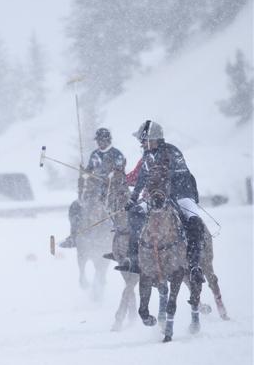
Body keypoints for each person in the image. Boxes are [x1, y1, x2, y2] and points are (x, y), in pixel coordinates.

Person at [115, 120, 204, 281]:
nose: (141, 143)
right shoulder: (147, 155)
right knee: (135, 213)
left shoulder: (173, 152)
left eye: (143, 140)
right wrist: (133, 199)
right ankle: (134, 260)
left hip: (181, 194)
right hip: (157, 196)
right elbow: (142, 179)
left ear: (152, 138)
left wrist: (167, 192)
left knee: (194, 222)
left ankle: (194, 266)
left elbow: (182, 176)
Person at [60, 128, 126, 248]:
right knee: (75, 207)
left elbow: (120, 171)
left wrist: (111, 176)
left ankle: (120, 237)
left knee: (119, 210)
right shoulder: (94, 155)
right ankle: (74, 237)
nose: (100, 143)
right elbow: (89, 171)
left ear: (108, 140)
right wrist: (84, 172)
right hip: (94, 191)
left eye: (102, 140)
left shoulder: (117, 154)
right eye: (98, 140)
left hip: (112, 191)